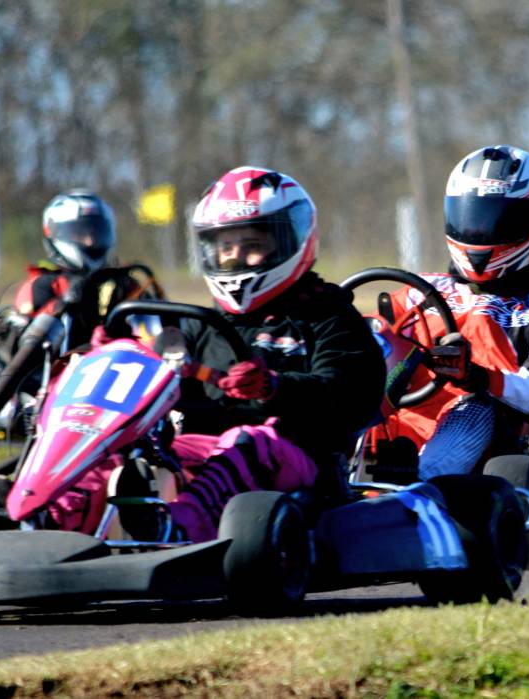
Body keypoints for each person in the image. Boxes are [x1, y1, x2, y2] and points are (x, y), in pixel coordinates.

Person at [106, 166, 387, 542]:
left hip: (298, 462)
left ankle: (175, 531)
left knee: (245, 441)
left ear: (289, 242)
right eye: (226, 248)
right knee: (129, 449)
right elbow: (164, 382)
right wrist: (114, 359)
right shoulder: (202, 324)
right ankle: (61, 516)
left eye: (252, 246)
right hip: (206, 450)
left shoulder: (326, 315)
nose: (236, 259)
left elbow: (351, 396)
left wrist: (275, 387)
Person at [371, 145, 529, 481]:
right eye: (472, 218)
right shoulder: (415, 291)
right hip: (394, 415)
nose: (481, 232)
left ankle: (420, 486)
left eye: (499, 221)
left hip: (480, 424)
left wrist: (478, 377)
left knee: (474, 405)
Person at [0, 190, 161, 361]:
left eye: (96, 233)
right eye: (80, 234)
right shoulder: (41, 286)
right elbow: (19, 351)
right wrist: (62, 305)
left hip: (121, 373)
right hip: (57, 377)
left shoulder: (126, 285)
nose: (89, 241)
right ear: (54, 233)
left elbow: (152, 332)